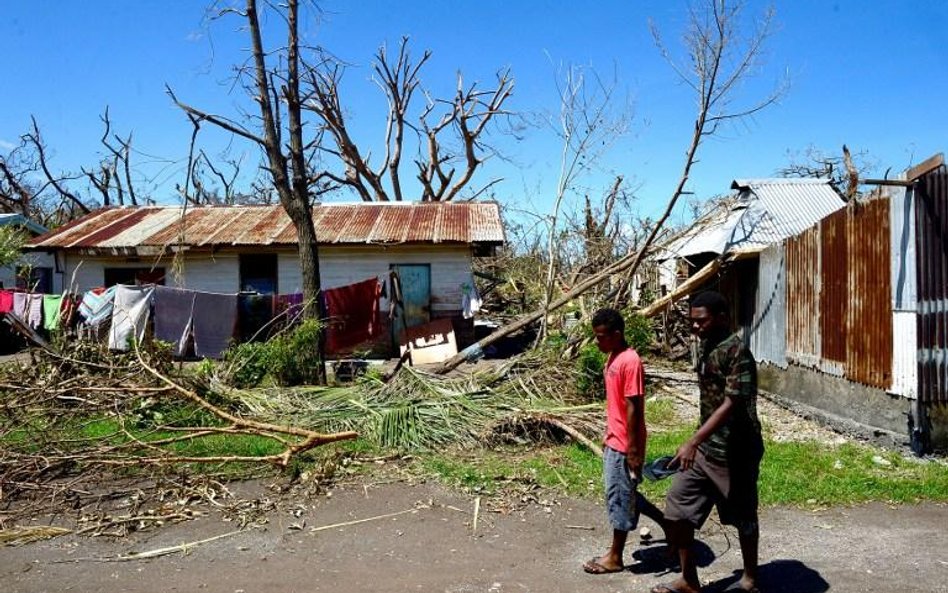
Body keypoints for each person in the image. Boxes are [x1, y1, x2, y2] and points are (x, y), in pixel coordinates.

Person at [651, 291, 764, 593]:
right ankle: (689, 579)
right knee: (677, 508)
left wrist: (693, 440)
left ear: (722, 318)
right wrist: (699, 442)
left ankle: (750, 579)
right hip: (706, 450)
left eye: (701, 321)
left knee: (743, 516)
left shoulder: (737, 351)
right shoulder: (706, 346)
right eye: (692, 322)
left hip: (736, 451)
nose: (695, 327)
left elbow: (733, 402)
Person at [583, 307, 667, 574]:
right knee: (625, 491)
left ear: (617, 334)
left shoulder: (629, 361)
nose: (597, 341)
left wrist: (632, 449)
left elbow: (634, 408)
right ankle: (669, 524)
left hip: (624, 444)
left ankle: (615, 557)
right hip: (615, 439)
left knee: (619, 495)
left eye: (601, 336)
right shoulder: (614, 357)